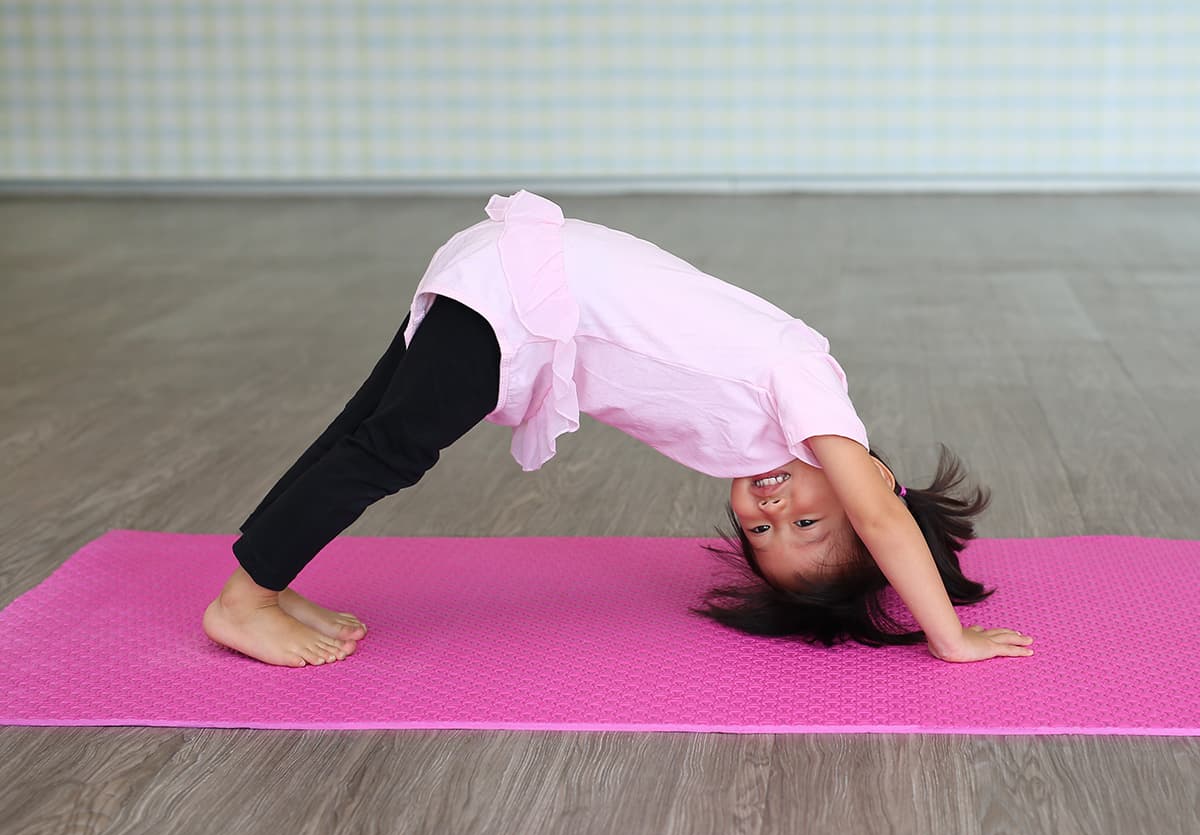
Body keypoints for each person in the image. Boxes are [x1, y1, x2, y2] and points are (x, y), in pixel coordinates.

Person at [203, 190, 1035, 668]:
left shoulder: (775, 422)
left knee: (366, 433)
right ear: (873, 485)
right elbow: (885, 521)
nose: (770, 507)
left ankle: (263, 581)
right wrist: (948, 636)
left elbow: (869, 517)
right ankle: (243, 600)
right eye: (808, 520)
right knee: (385, 449)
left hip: (512, 276)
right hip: (526, 301)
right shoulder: (814, 393)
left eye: (759, 530)